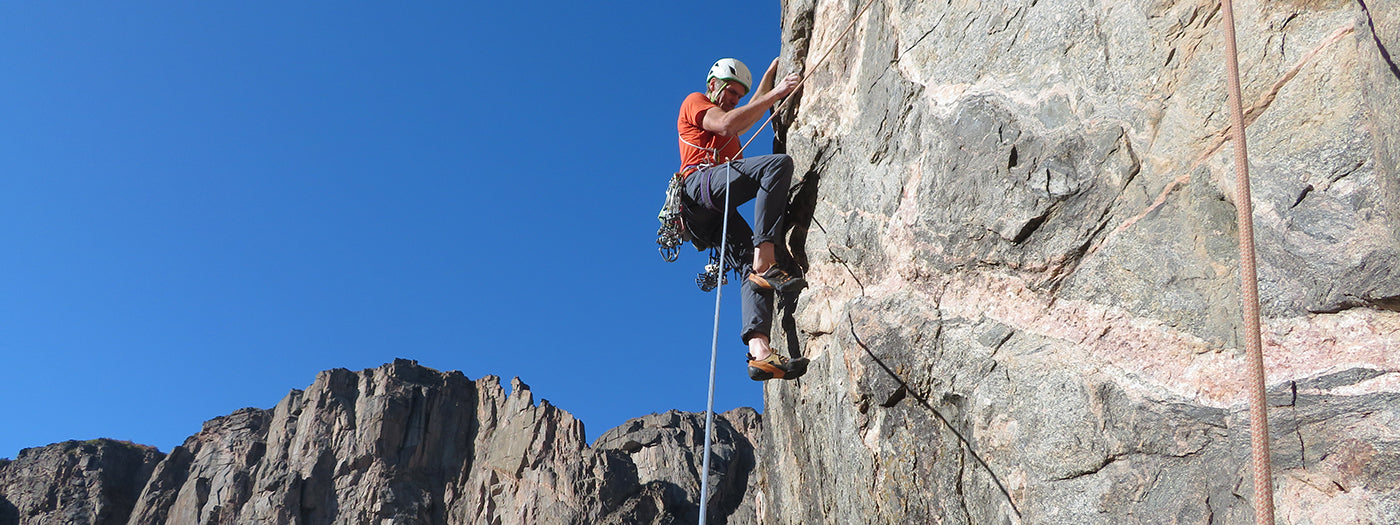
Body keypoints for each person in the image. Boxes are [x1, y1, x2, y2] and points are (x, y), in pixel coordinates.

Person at [676, 57, 810, 381]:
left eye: (739, 95)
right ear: (713, 85)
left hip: (710, 213)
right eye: (730, 92)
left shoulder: (732, 127)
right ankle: (767, 259)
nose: (734, 99)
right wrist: (777, 92)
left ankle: (760, 353)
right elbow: (726, 124)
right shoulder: (696, 102)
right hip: (699, 186)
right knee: (776, 166)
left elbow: (743, 119)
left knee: (749, 269)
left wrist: (766, 81)